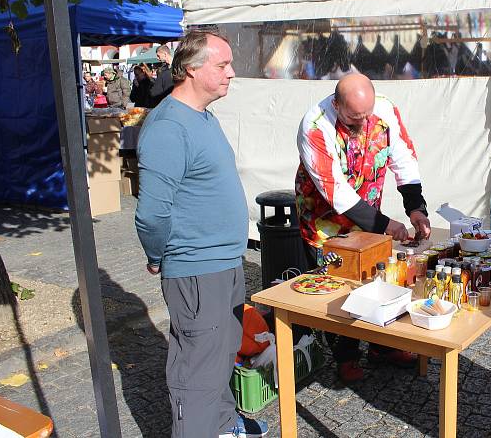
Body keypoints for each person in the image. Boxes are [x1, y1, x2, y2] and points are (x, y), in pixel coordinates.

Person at [135, 29, 268, 438]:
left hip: (223, 262)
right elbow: (151, 214)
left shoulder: (202, 117)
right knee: (197, 366)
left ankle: (223, 426)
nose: (231, 73)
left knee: (221, 354)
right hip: (196, 267)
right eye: (222, 64)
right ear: (191, 69)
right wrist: (159, 256)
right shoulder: (167, 128)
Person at [295, 73, 431, 382]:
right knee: (341, 284)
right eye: (355, 117)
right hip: (324, 220)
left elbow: (403, 159)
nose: (364, 122)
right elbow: (338, 193)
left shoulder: (383, 109)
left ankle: (381, 347)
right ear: (336, 104)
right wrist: (385, 225)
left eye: (367, 114)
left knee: (375, 277)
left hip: (367, 214)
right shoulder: (315, 126)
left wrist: (416, 209)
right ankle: (345, 357)